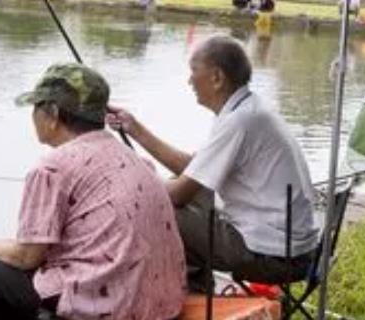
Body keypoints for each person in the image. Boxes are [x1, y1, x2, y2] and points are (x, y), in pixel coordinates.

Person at [0, 63, 186, 320]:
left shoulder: (53, 168)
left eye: (36, 107)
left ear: (52, 114)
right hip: (164, 307)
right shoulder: (136, 160)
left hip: (114, 310)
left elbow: (27, 256)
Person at [106, 35, 320, 291]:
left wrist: (133, 179)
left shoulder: (239, 121)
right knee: (173, 192)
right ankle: (193, 292)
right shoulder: (247, 109)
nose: (189, 81)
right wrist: (135, 128)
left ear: (217, 78)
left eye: (194, 71)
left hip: (277, 256)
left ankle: (187, 297)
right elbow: (194, 170)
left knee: (158, 210)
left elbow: (179, 196)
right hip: (287, 244)